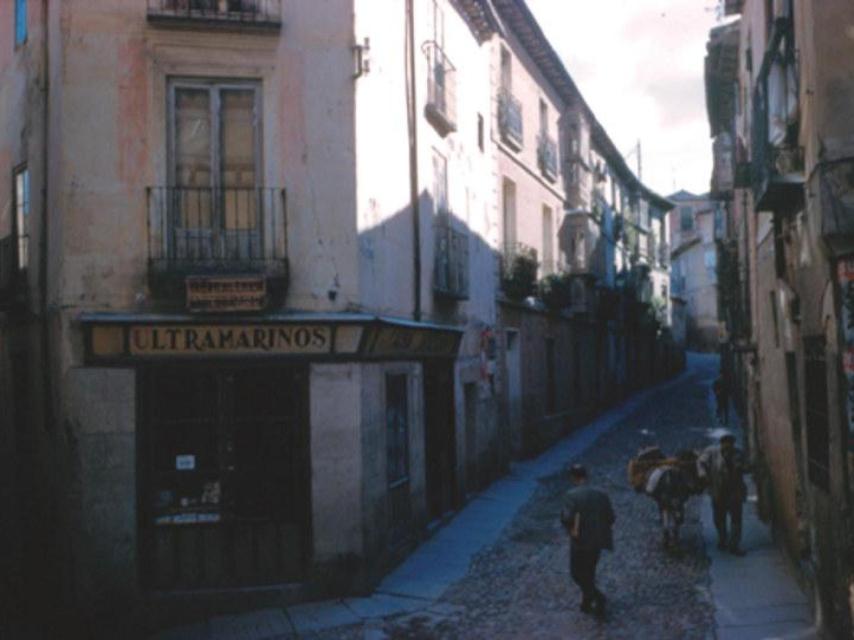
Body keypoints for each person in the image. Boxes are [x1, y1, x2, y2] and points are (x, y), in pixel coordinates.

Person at [560, 464, 615, 617]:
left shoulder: (571, 495)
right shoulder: (601, 494)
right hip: (598, 541)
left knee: (576, 573)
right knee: (590, 571)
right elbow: (611, 518)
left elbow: (566, 518)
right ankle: (586, 602)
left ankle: (598, 597)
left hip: (580, 542)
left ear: (573, 477)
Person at [697, 433, 749, 555]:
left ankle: (734, 545)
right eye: (725, 446)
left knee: (736, 520)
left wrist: (742, 467)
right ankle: (722, 538)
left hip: (734, 493)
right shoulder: (712, 452)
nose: (727, 449)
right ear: (721, 444)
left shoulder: (738, 454)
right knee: (719, 519)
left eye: (730, 446)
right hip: (718, 491)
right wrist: (703, 474)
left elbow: (746, 466)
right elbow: (700, 462)